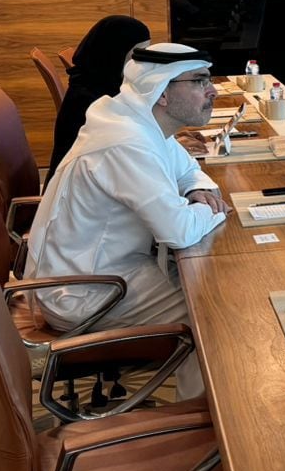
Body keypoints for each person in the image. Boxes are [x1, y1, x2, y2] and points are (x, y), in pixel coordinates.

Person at [27, 42, 228, 396]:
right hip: (82, 291)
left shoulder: (138, 118)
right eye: (199, 81)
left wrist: (197, 193)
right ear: (162, 93)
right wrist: (211, 209)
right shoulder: (128, 140)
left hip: (104, 270)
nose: (212, 91)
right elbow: (179, 231)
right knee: (213, 312)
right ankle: (195, 425)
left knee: (209, 289)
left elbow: (190, 170)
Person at [47, 14, 152, 178]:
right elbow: (123, 153)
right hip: (79, 195)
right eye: (139, 53)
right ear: (115, 53)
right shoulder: (90, 101)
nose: (144, 62)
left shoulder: (102, 83)